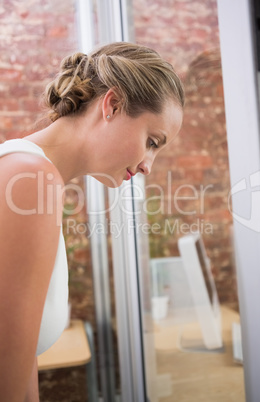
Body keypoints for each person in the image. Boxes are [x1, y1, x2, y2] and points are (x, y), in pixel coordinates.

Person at [0, 41, 184, 401]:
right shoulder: (30, 178)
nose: (149, 165)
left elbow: (21, 365)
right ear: (112, 105)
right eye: (151, 141)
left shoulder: (30, 173)